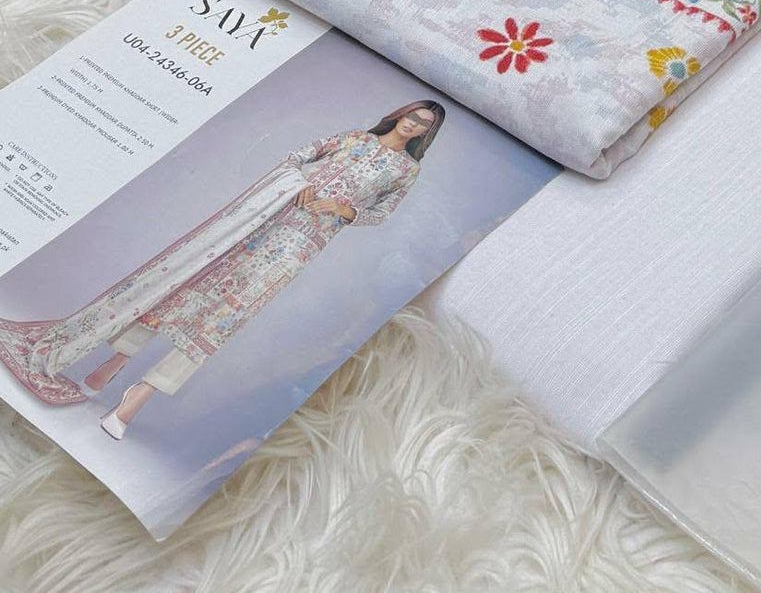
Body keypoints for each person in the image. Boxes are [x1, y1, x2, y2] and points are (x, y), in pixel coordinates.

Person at [0, 101, 444, 438]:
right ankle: (112, 364)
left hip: (301, 241)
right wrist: (300, 184)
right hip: (262, 216)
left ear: (426, 134)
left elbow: (381, 214)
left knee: (226, 315)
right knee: (187, 286)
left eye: (423, 125)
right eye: (412, 116)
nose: (413, 125)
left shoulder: (406, 170)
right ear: (399, 114)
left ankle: (137, 399)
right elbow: (296, 157)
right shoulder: (353, 139)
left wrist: (345, 210)